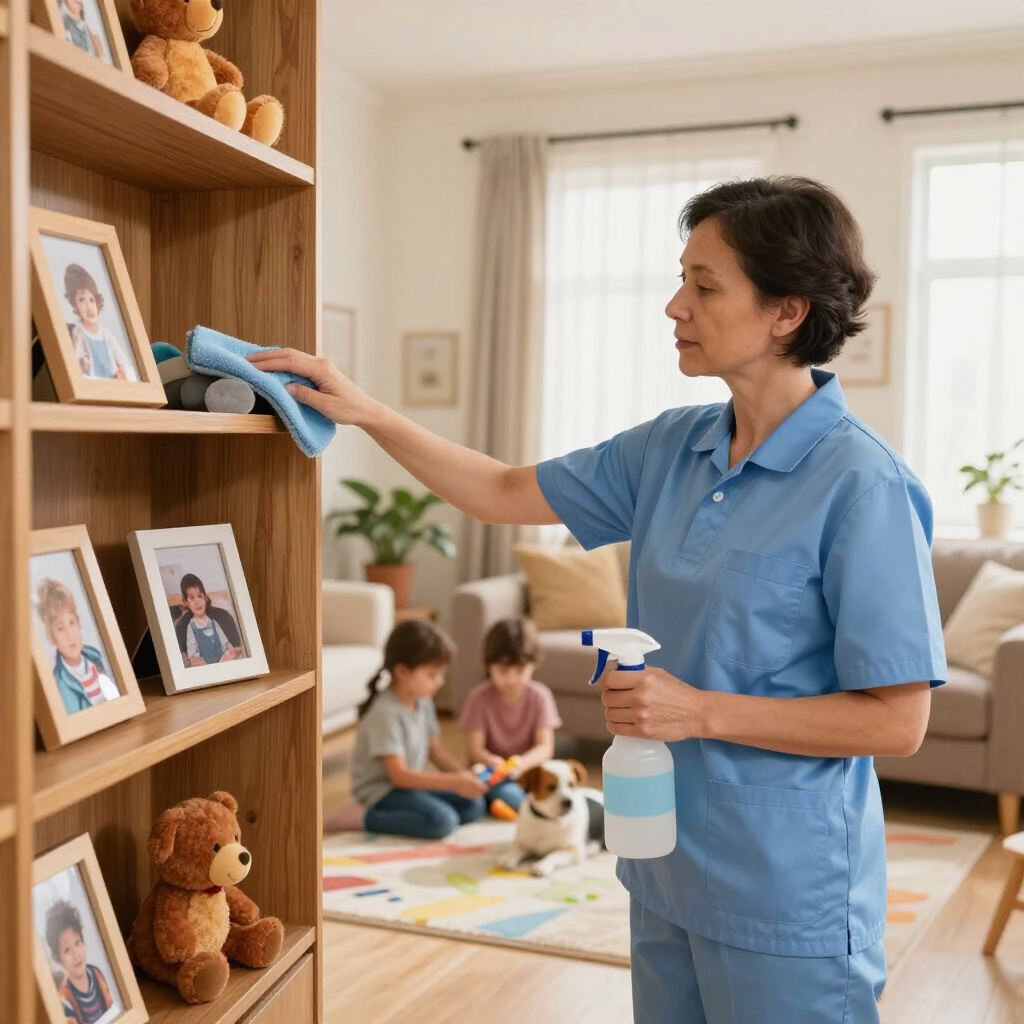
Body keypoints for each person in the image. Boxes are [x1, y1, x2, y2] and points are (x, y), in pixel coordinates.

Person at [248, 176, 946, 1024]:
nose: (674, 305)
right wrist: (367, 414)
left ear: (786, 311)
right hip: (662, 859)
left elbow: (896, 721)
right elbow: (504, 490)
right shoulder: (671, 446)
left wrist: (698, 713)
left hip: (785, 890)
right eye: (682, 278)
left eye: (704, 284)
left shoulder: (862, 483)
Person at [336, 620, 486, 839]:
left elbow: (436, 750)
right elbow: (399, 776)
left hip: (410, 785)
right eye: (432, 675)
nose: (440, 682)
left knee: (473, 805)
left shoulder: (422, 700)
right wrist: (454, 782)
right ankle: (362, 817)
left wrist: (466, 776)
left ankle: (415, 811)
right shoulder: (385, 713)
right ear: (403, 671)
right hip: (383, 791)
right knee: (442, 821)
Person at [459, 617, 562, 814]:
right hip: (491, 774)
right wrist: (492, 761)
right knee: (510, 796)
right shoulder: (479, 699)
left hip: (528, 772)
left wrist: (521, 764)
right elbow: (474, 750)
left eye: (520, 670)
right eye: (503, 670)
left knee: (557, 788)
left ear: (534, 665)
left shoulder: (540, 697)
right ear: (488, 665)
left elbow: (545, 747)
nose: (511, 679)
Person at [36, 577, 118, 714]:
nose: (70, 634)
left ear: (79, 623)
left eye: (72, 623)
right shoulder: (58, 684)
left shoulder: (98, 657)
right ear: (51, 636)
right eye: (60, 628)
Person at [45, 899, 115, 1024]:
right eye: (67, 950)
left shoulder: (96, 974)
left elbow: (112, 1008)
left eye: (77, 943)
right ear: (58, 959)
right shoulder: (64, 999)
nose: (75, 954)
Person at [63, 264, 134, 381]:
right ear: (75, 305)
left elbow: (124, 363)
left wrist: (123, 373)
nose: (89, 307)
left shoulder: (106, 335)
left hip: (112, 385)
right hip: (93, 385)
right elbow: (76, 364)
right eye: (82, 300)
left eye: (92, 300)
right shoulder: (78, 332)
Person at [178, 573, 240, 667]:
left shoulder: (213, 622)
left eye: (200, 596)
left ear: (206, 598)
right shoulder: (191, 627)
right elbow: (193, 654)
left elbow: (226, 644)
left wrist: (230, 653)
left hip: (223, 664)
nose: (197, 601)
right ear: (186, 602)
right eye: (192, 598)